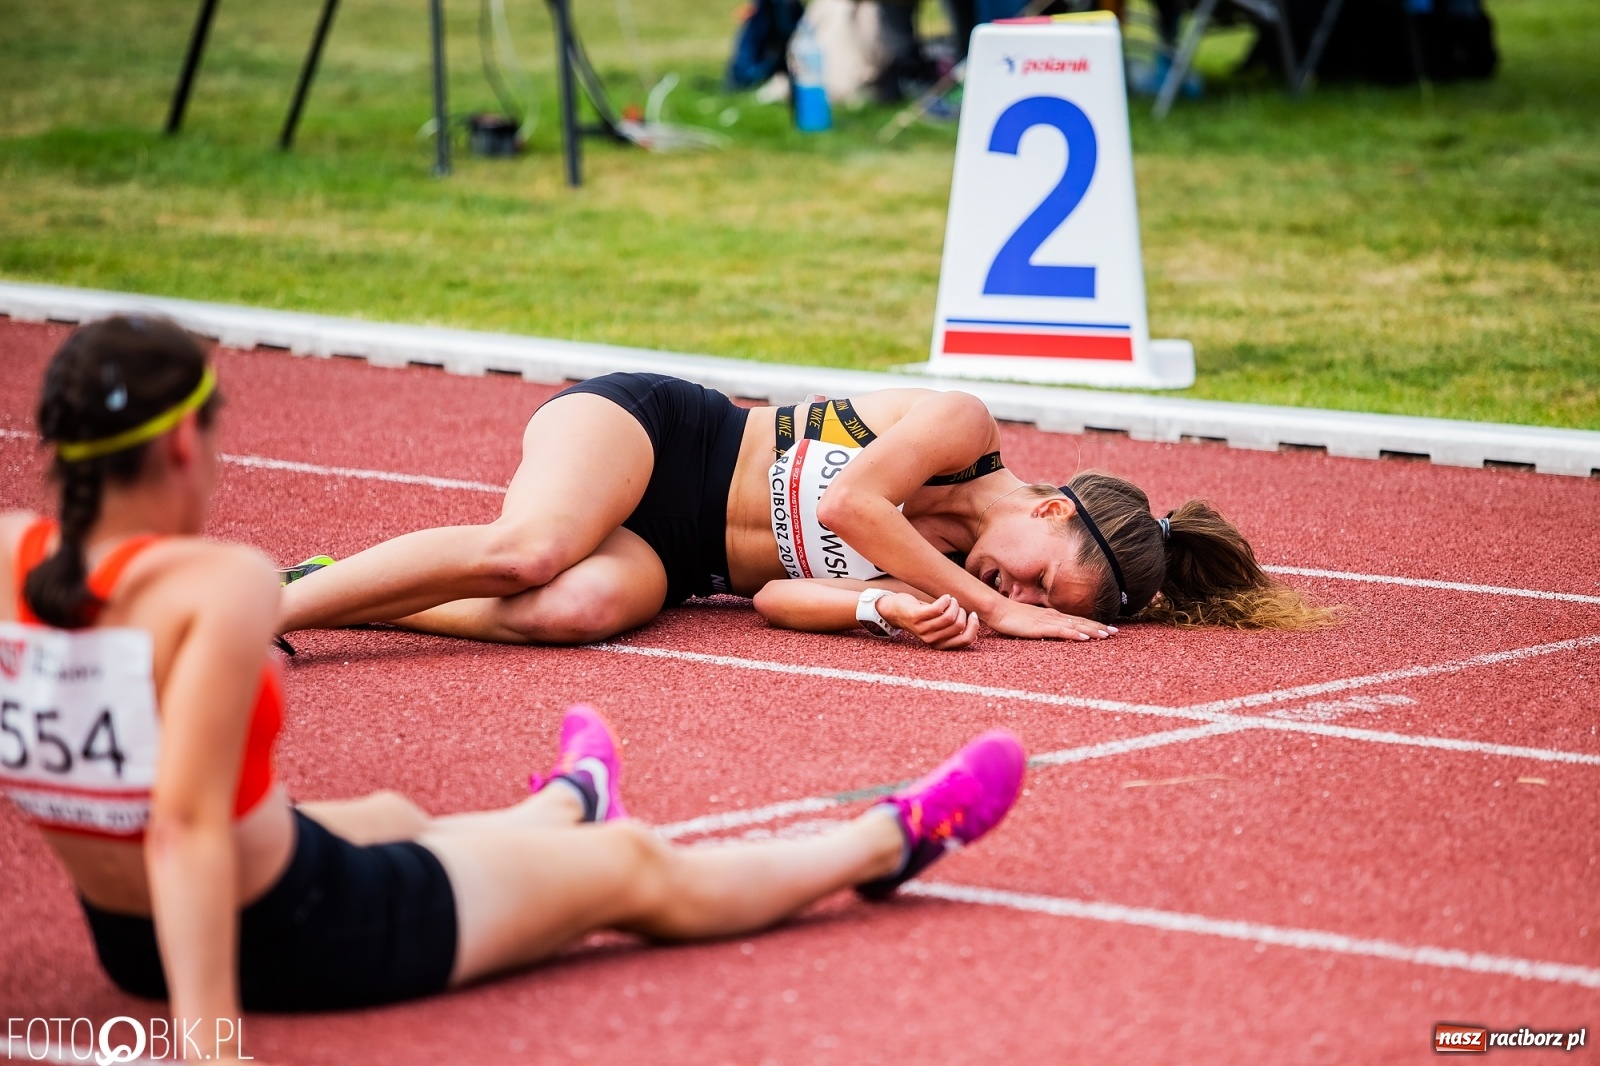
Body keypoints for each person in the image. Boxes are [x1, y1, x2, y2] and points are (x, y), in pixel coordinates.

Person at [0, 317, 1027, 1056]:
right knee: (630, 869)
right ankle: (893, 836)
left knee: (402, 803)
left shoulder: (9, 558)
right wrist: (210, 1044)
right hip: (299, 920)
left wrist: (886, 606)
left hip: (127, 932)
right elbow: (182, 829)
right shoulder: (218, 584)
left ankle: (566, 797)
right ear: (187, 443)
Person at [278, 372, 1329, 651]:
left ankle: (322, 584)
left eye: (1030, 599)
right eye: (1040, 575)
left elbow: (779, 594)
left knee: (573, 610)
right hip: (660, 434)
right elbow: (847, 499)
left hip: (680, 555)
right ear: (1050, 508)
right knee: (530, 551)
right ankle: (266, 616)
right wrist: (989, 606)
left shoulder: (941, 586)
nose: (1014, 590)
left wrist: (885, 615)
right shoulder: (962, 423)